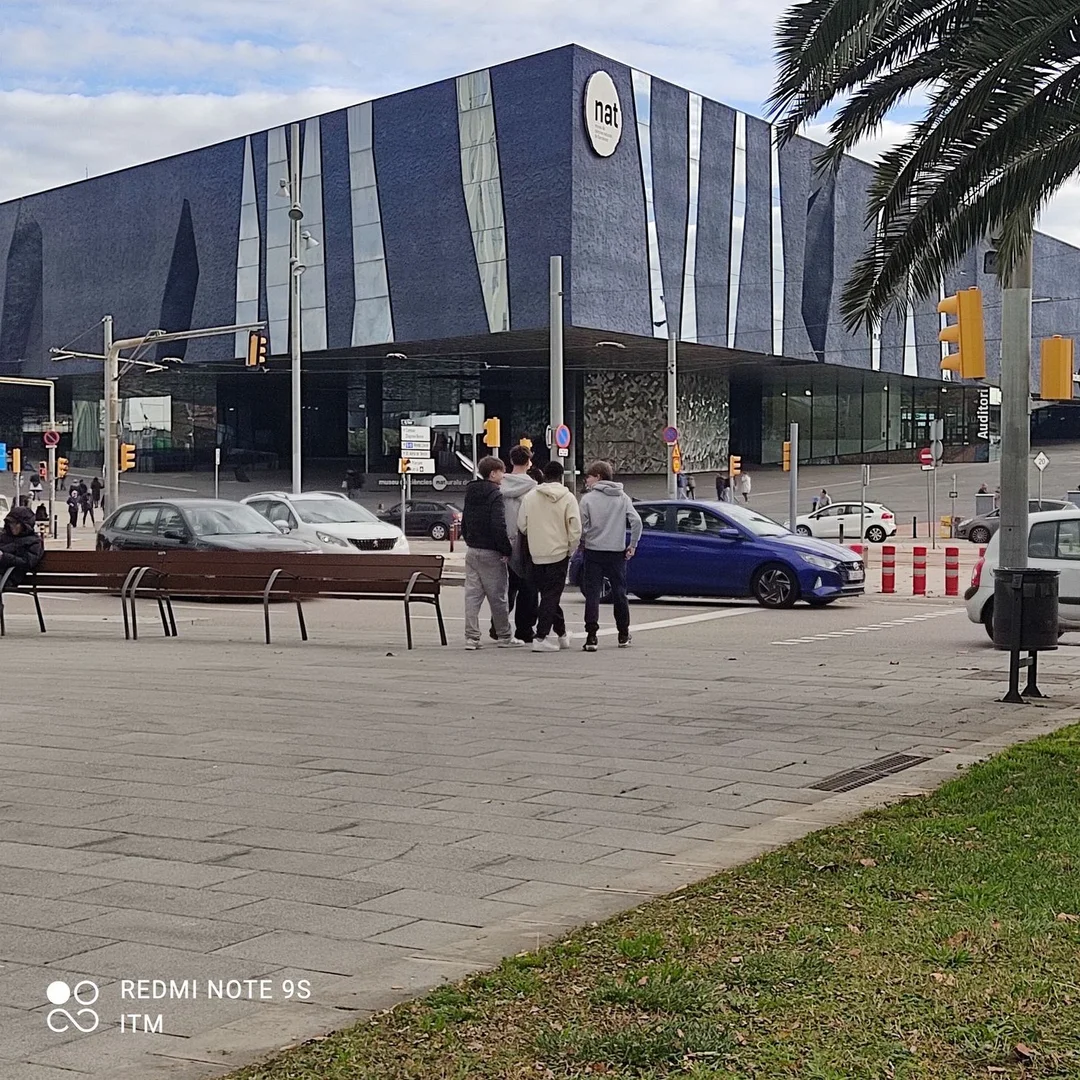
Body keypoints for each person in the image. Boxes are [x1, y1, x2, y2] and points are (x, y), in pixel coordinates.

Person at [460, 455, 523, 651]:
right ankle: (504, 635)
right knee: (498, 596)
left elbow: (464, 522)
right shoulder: (496, 495)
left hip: (472, 550)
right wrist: (505, 549)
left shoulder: (470, 492)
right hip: (491, 552)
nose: (503, 476)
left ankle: (471, 637)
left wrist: (469, 539)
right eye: (501, 472)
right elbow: (498, 524)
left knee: (472, 596)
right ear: (493, 473)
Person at [579, 460, 643, 652]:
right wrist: (632, 545)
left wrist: (583, 539)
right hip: (616, 552)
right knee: (619, 593)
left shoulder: (587, 500)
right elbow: (637, 521)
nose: (587, 481)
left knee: (592, 594)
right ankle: (623, 634)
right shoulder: (623, 497)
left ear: (598, 477)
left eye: (588, 477)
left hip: (593, 551)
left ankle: (591, 637)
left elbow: (581, 527)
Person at [518, 460, 580, 652]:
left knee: (548, 596)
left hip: (536, 553)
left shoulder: (530, 497)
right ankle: (541, 636)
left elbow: (522, 525)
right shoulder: (568, 498)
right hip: (559, 553)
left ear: (544, 475)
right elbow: (575, 528)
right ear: (561, 476)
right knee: (551, 596)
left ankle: (561, 635)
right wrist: (570, 549)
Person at [493, 445, 538, 643]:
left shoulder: (499, 487)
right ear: (529, 462)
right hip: (526, 543)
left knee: (506, 588)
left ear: (511, 461)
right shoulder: (534, 488)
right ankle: (525, 629)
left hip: (503, 542)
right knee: (528, 589)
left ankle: (498, 625)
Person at [0, 506, 44, 587]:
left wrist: (3, 557)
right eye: (10, 523)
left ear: (25, 525)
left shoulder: (34, 541)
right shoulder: (4, 536)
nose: (12, 526)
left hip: (9, 576)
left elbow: (27, 562)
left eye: (16, 523)